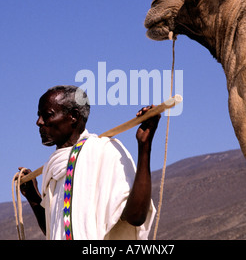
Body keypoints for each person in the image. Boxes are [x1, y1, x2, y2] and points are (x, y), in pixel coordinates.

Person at [19, 85, 160, 240]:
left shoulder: (104, 152)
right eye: (39, 115)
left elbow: (136, 216)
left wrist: (144, 146)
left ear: (73, 116)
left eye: (47, 115)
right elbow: (55, 230)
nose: (39, 122)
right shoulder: (53, 168)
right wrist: (33, 197)